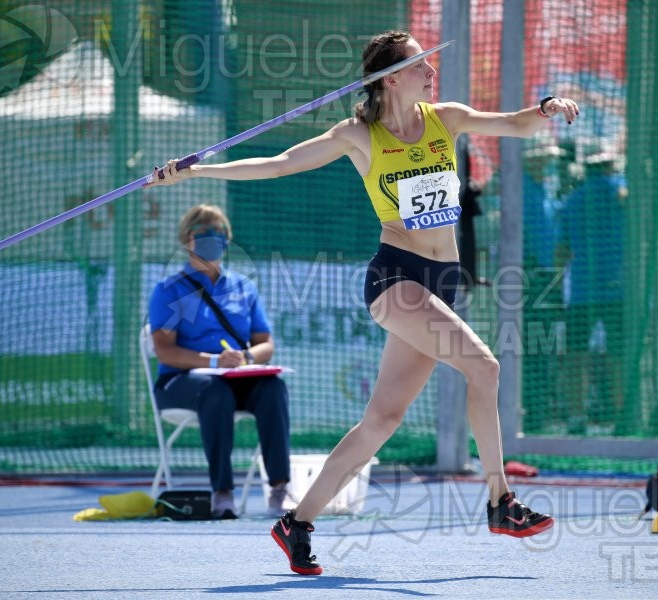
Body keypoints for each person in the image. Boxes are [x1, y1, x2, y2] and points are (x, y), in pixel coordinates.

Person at [147, 30, 579, 575]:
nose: (431, 69)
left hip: (442, 280)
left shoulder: (446, 117)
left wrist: (544, 108)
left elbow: (514, 124)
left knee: (382, 420)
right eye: (420, 62)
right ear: (391, 78)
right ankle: (501, 502)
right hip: (396, 277)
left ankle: (296, 523)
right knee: (484, 367)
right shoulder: (357, 135)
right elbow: (279, 163)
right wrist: (197, 169)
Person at [148, 204, 292, 520]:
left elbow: (266, 344)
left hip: (236, 378)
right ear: (187, 239)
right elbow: (165, 351)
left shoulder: (245, 287)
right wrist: (215, 361)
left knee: (273, 389)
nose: (212, 239)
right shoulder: (169, 290)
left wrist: (247, 358)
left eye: (219, 233)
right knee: (215, 390)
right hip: (181, 383)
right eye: (203, 233)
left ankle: (279, 490)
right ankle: (222, 493)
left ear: (228, 239)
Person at [555, 150, 626, 433]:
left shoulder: (572, 201)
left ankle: (576, 416)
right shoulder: (622, 193)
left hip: (582, 292)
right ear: (610, 166)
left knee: (576, 355)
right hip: (617, 289)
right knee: (618, 354)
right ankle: (622, 415)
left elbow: (561, 250)